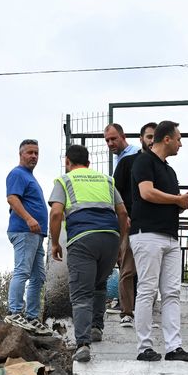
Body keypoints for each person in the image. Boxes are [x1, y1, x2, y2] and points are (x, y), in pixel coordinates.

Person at [48, 144, 130, 362]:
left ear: (67, 162)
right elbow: (123, 213)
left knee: (81, 293)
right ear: (89, 163)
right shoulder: (106, 180)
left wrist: (55, 243)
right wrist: (121, 243)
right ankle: (96, 327)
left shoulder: (64, 180)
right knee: (99, 284)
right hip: (110, 237)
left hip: (82, 239)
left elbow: (56, 213)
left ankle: (83, 344)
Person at [130, 120, 188, 362]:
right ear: (166, 138)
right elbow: (146, 192)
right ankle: (143, 347)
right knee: (147, 291)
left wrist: (183, 203)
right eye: (178, 138)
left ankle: (173, 347)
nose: (180, 143)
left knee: (172, 293)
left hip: (169, 236)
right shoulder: (144, 160)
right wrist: (178, 199)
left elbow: (167, 203)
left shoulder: (169, 170)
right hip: (147, 234)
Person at [107, 122, 157, 327]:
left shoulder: (162, 167)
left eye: (155, 137)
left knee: (151, 273)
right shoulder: (128, 161)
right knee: (127, 269)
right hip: (130, 223)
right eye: (149, 137)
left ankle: (146, 314)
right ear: (141, 139)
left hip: (153, 225)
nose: (152, 141)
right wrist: (123, 215)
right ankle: (127, 312)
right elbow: (114, 192)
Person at [5, 139, 51, 335]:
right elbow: (12, 198)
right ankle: (15, 312)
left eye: (36, 153)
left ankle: (32, 317)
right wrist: (29, 218)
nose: (34, 156)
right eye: (30, 152)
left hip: (36, 234)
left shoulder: (30, 177)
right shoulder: (17, 174)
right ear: (21, 154)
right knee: (22, 271)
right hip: (24, 231)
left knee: (38, 277)